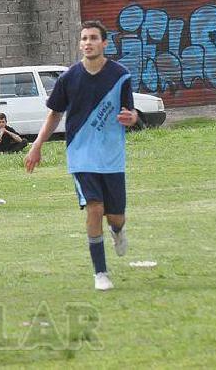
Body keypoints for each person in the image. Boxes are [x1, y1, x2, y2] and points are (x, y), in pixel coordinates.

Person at [24, 20, 138, 292]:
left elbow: (130, 112)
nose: (88, 42)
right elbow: (54, 114)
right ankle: (101, 273)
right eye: (84, 38)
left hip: (112, 157)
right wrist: (37, 145)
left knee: (116, 217)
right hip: (81, 155)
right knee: (95, 209)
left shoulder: (120, 75)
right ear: (80, 43)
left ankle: (118, 231)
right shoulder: (69, 78)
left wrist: (131, 117)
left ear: (104, 43)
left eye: (93, 38)